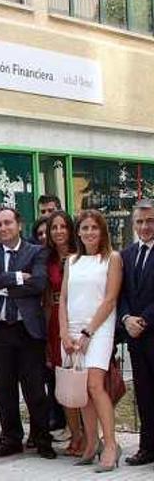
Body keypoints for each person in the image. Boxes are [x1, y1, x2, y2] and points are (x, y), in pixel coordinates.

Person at [0, 207, 56, 459]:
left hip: (27, 330)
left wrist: (3, 281)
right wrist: (19, 277)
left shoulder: (36, 251)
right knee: (5, 389)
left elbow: (39, 283)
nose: (2, 228)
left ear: (18, 224)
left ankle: (42, 439)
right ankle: (11, 439)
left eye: (7, 223)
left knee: (35, 390)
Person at [60, 209, 123, 472]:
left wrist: (88, 332)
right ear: (78, 233)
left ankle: (111, 445)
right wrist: (64, 332)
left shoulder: (112, 258)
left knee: (96, 385)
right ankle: (91, 442)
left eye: (94, 228)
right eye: (84, 228)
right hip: (73, 329)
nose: (89, 232)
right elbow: (62, 299)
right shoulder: (71, 260)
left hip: (99, 329)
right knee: (82, 388)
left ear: (102, 231)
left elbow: (110, 299)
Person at [120, 199, 154, 467]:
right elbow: (120, 294)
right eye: (140, 222)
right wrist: (126, 318)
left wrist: (144, 319)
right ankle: (147, 447)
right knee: (143, 395)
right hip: (136, 340)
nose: (145, 226)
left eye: (150, 220)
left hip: (151, 330)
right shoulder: (127, 254)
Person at [44, 211, 81, 455]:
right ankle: (75, 434)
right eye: (54, 227)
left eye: (63, 226)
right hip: (54, 322)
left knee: (84, 381)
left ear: (70, 230)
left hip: (77, 320)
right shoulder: (45, 259)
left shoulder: (81, 257)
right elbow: (45, 299)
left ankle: (91, 434)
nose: (58, 231)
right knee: (63, 382)